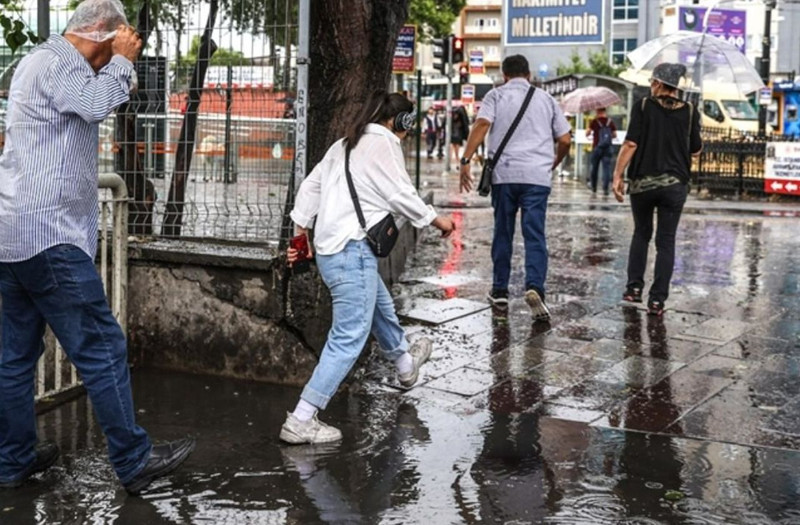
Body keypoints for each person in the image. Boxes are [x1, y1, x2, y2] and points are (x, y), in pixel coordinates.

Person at [0, 0, 194, 494]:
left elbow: (106, 96)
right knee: (102, 347)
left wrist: (119, 67)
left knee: (15, 356)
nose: (118, 61)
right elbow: (93, 103)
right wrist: (125, 57)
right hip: (49, 236)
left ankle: (13, 458)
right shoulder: (57, 61)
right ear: (101, 34)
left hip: (16, 235)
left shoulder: (42, 63)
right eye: (116, 47)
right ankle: (134, 459)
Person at [283, 90, 456, 444]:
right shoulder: (385, 145)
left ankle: (406, 367)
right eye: (407, 126)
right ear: (401, 121)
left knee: (379, 307)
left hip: (332, 252)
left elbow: (310, 188)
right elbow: (401, 194)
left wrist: (300, 234)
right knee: (348, 337)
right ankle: (302, 419)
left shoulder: (343, 144)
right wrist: (438, 221)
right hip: (353, 252)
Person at [458, 55, 571, 322]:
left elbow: (482, 124)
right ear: (529, 74)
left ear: (504, 75)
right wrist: (553, 162)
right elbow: (565, 139)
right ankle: (535, 287)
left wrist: (465, 160)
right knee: (534, 234)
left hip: (505, 175)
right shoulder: (546, 100)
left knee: (503, 231)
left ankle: (499, 290)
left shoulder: (496, 96)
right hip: (537, 178)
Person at [612, 62, 702, 316]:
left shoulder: (643, 107)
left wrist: (617, 175)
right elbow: (696, 150)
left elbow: (630, 144)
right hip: (675, 185)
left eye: (653, 81)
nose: (650, 86)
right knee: (666, 241)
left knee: (641, 233)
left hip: (642, 184)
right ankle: (657, 300)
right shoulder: (691, 111)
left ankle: (634, 289)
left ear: (662, 84)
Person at [585, 107, 617, 195]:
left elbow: (587, 133)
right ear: (605, 111)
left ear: (597, 111)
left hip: (597, 147)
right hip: (608, 148)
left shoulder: (595, 121)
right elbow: (614, 135)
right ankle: (605, 188)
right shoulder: (610, 122)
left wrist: (591, 131)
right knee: (606, 168)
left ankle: (594, 187)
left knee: (594, 167)